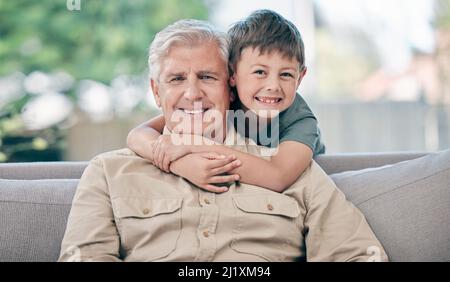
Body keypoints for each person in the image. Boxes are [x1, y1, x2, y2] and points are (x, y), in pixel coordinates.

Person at [59, 19, 387, 262]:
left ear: (230, 87)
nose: (192, 93)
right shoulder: (108, 172)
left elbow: (359, 255)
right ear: (156, 91)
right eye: (176, 79)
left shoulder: (290, 163)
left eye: (206, 77)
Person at [127, 10, 325, 193]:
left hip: (301, 169)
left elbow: (277, 177)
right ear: (232, 75)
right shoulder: (228, 97)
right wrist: (182, 165)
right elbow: (138, 135)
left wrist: (193, 144)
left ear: (300, 77)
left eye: (286, 74)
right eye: (259, 72)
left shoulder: (301, 121)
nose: (273, 85)